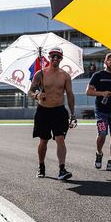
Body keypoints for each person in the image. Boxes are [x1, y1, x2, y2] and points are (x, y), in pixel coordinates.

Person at [28, 47, 77, 180]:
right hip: (43, 111)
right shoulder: (40, 74)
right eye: (53, 56)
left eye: (58, 57)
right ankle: (41, 166)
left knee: (60, 139)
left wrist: (73, 114)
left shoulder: (65, 75)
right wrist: (37, 94)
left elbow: (70, 95)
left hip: (59, 111)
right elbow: (30, 91)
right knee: (43, 141)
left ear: (61, 58)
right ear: (49, 57)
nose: (55, 59)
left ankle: (62, 169)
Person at [85, 52, 111, 171]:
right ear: (105, 62)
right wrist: (102, 93)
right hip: (101, 111)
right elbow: (88, 91)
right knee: (102, 134)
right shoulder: (97, 75)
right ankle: (99, 153)